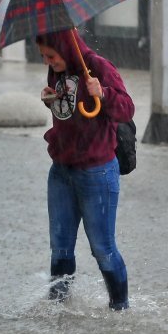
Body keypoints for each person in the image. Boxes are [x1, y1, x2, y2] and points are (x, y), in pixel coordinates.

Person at [36, 29, 135, 309]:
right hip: (61, 170)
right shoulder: (56, 72)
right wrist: (52, 100)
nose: (48, 62)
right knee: (60, 248)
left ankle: (120, 309)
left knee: (102, 249)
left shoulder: (99, 67)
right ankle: (58, 307)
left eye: (51, 56)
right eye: (43, 56)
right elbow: (69, 112)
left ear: (66, 49)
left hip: (96, 172)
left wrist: (102, 93)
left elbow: (127, 109)